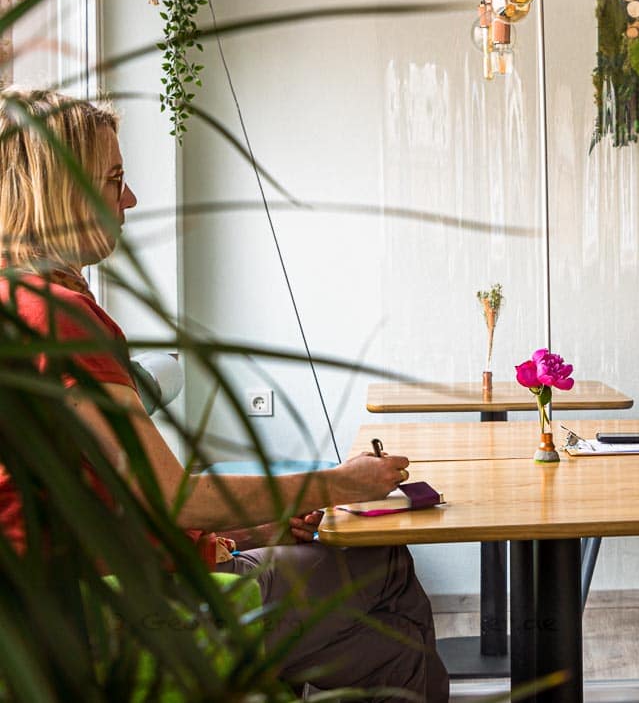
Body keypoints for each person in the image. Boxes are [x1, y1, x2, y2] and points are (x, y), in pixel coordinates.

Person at [0, 88, 449, 702]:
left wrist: (254, 530)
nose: (129, 199)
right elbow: (170, 497)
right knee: (386, 579)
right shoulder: (59, 317)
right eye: (114, 179)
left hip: (70, 600)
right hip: (129, 614)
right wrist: (343, 483)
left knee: (371, 616)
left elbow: (115, 504)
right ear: (62, 193)